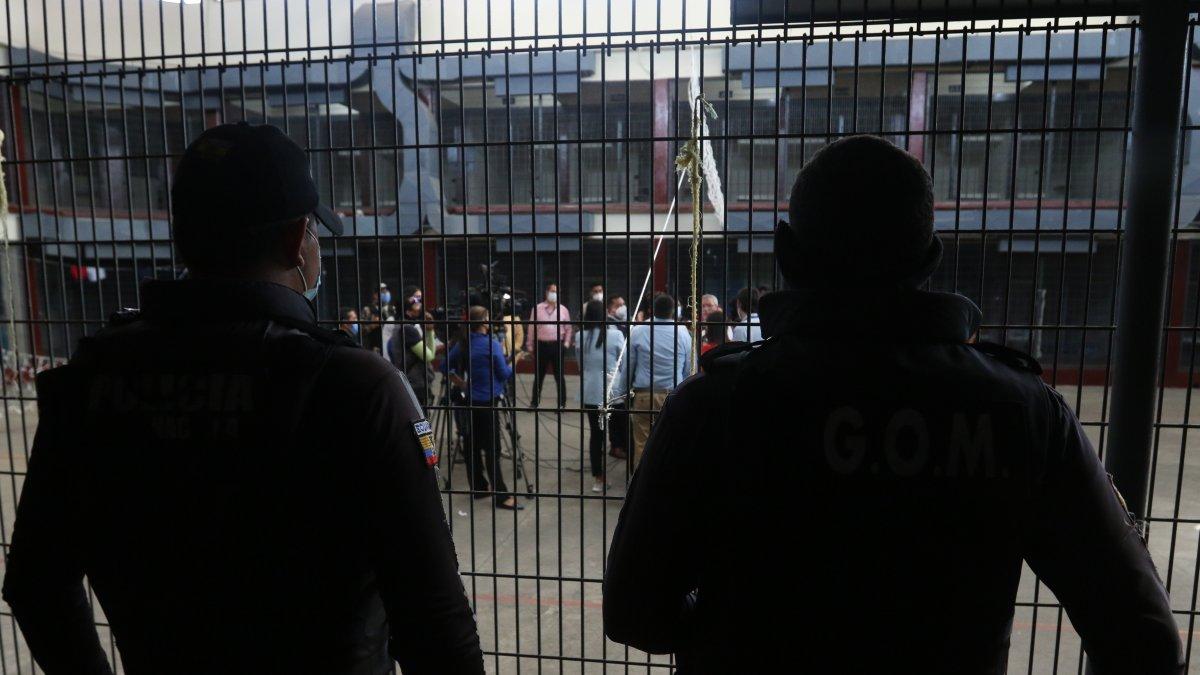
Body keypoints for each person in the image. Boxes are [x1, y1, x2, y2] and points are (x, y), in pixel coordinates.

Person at [603, 135, 1183, 674]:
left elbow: (635, 612)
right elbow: (1144, 635)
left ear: (787, 253)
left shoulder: (715, 407)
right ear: (928, 259)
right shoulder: (1022, 412)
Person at [1, 122, 484, 674]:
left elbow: (36, 582)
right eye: (313, 234)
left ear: (183, 236)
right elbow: (434, 622)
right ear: (295, 241)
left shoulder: (92, 380)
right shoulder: (354, 387)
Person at [444, 306, 522, 511]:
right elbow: (504, 373)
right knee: (492, 449)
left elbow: (445, 365)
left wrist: (460, 383)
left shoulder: (463, 343)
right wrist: (516, 361)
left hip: (469, 402)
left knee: (472, 446)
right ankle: (501, 495)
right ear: (484, 322)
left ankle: (479, 486)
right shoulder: (492, 344)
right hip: (488, 402)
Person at [625, 293, 691, 468]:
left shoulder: (639, 330)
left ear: (652, 310)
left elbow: (628, 366)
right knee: (670, 441)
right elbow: (689, 368)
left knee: (642, 443)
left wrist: (622, 392)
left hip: (645, 394)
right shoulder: (683, 332)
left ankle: (640, 486)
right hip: (673, 395)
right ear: (673, 311)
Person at [578, 300, 627, 493]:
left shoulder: (580, 336)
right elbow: (623, 363)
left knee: (596, 436)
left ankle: (598, 478)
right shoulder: (615, 335)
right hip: (613, 391)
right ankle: (632, 475)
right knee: (623, 433)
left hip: (591, 392)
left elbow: (581, 364)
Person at [525, 282, 572, 408]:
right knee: (539, 376)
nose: (553, 294)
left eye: (556, 292)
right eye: (552, 291)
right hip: (542, 345)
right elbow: (531, 328)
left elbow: (568, 328)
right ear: (546, 292)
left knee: (559, 377)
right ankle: (534, 403)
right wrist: (530, 346)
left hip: (557, 345)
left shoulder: (563, 310)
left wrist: (566, 344)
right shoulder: (537, 308)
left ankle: (561, 404)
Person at [389, 296, 438, 407]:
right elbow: (429, 356)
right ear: (408, 311)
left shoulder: (401, 326)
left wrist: (429, 330)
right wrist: (430, 332)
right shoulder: (408, 330)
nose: (420, 307)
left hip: (411, 381)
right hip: (416, 383)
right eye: (416, 305)